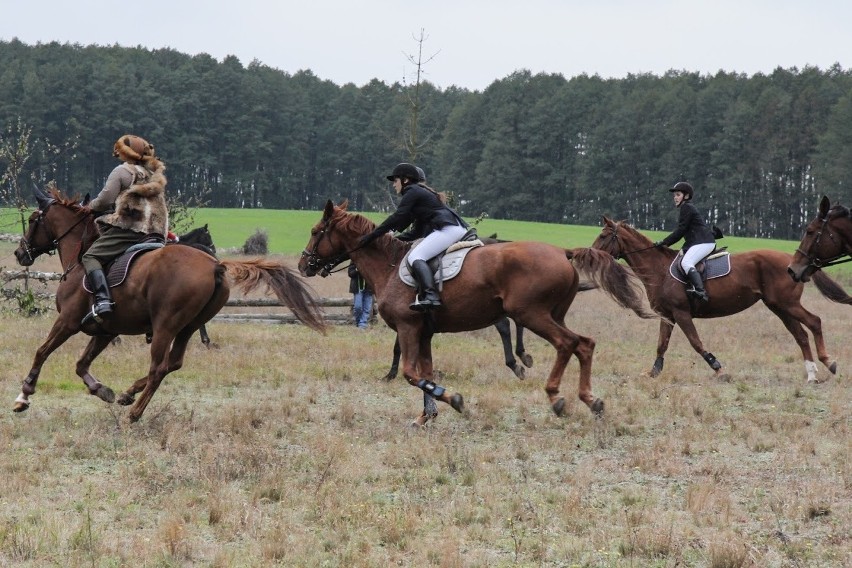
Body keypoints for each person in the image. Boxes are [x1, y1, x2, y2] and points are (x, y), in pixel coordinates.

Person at [80, 134, 169, 325]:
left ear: (124, 152)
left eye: (118, 149)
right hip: (157, 231)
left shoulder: (122, 171)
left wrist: (89, 207)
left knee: (90, 257)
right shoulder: (152, 174)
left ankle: (103, 300)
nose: (116, 152)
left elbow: (105, 200)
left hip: (131, 228)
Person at [358, 162, 468, 311]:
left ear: (405, 180)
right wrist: (391, 241)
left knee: (415, 257)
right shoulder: (418, 194)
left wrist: (372, 235)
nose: (393, 185)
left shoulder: (412, 191)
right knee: (417, 254)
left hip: (448, 229)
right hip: (451, 228)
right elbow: (415, 231)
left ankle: (431, 296)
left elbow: (398, 216)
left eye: (395, 180)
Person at [654, 181, 715, 302]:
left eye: (677, 195)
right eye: (674, 196)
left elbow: (681, 230)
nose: (675, 198)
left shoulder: (687, 207)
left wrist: (664, 242)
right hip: (699, 242)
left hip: (703, 242)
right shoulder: (686, 208)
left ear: (686, 196)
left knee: (686, 263)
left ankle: (701, 292)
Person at [348, 263, 374, 330]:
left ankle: (362, 325)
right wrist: (357, 270)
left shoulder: (372, 259)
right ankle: (358, 322)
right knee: (358, 307)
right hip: (358, 288)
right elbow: (350, 273)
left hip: (369, 288)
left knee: (367, 309)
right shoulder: (355, 259)